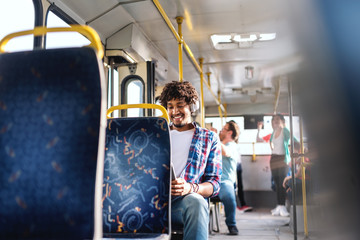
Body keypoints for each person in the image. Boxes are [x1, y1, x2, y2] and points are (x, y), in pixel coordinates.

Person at [158, 81, 222, 240]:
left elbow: (214, 184)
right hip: (154, 201)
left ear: (192, 107)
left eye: (180, 105)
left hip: (182, 204)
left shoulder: (209, 138)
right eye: (170, 106)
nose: (174, 111)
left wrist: (189, 188)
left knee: (197, 202)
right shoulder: (157, 134)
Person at [258, 114, 299, 217]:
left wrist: (298, 153)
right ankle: (279, 205)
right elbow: (263, 140)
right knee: (276, 182)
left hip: (283, 158)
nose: (275, 121)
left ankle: (283, 206)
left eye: (277, 119)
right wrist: (259, 129)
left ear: (282, 121)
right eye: (273, 120)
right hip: (274, 158)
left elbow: (296, 141)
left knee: (282, 182)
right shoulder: (274, 132)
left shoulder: (285, 131)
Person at [218, 121, 240, 235]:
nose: (220, 131)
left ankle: (231, 224)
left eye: (223, 129)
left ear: (229, 132)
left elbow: (225, 152)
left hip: (224, 181)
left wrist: (213, 137)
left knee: (229, 197)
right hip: (211, 180)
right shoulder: (218, 144)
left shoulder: (232, 146)